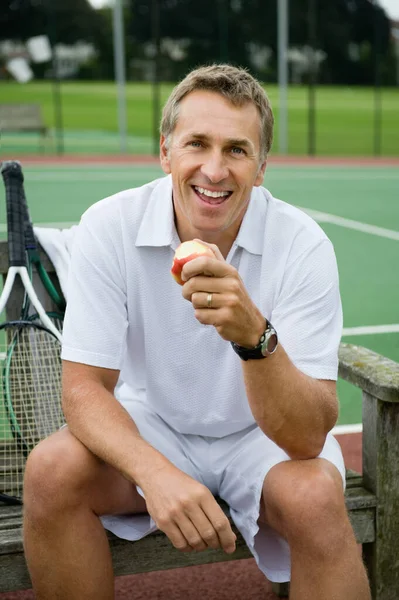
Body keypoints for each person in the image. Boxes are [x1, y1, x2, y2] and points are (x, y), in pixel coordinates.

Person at [23, 64, 371, 600]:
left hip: (263, 443)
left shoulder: (303, 245)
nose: (214, 169)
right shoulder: (108, 225)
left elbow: (305, 437)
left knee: (317, 498)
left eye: (237, 149)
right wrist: (155, 473)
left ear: (260, 168)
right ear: (166, 152)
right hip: (153, 424)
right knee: (51, 470)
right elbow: (84, 387)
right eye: (197, 144)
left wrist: (253, 336)